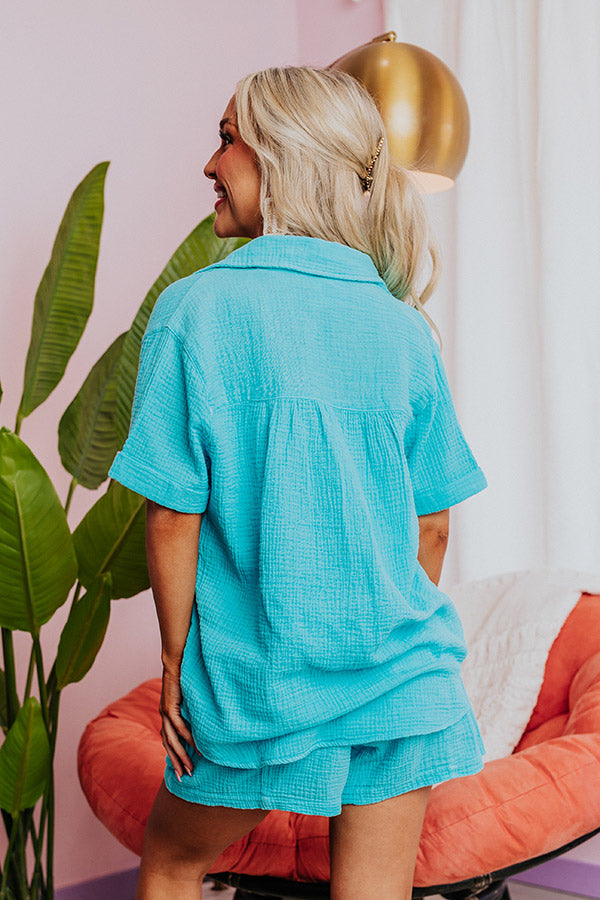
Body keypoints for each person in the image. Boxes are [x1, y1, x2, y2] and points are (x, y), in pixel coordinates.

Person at [109, 66, 488, 900]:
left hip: (260, 687)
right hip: (404, 680)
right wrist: (374, 636)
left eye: (227, 140)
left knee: (173, 861)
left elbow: (172, 516)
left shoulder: (195, 310)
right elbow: (432, 525)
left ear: (282, 154)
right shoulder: (403, 328)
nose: (210, 165)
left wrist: (174, 663)